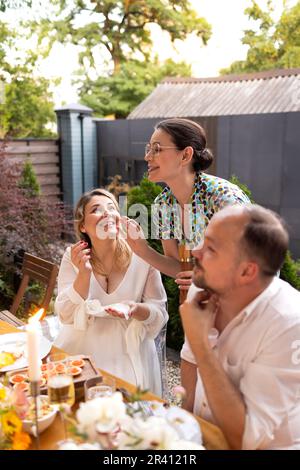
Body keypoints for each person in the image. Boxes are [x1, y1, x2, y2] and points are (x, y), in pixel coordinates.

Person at [180, 204, 300, 450]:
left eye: (210, 248)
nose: (195, 251)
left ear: (247, 271)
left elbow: (246, 440)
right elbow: (190, 362)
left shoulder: (289, 323)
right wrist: (183, 428)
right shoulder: (203, 287)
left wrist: (201, 344)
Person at [54, 189, 168, 397]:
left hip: (131, 350)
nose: (107, 213)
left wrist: (135, 309)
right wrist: (83, 275)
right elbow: (65, 315)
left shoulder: (142, 256)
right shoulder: (73, 257)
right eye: (96, 210)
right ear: (83, 226)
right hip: (82, 350)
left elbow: (159, 316)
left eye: (112, 208)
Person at [123, 118, 250, 292]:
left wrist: (208, 280)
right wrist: (142, 250)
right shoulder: (163, 204)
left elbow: (252, 262)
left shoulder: (224, 199)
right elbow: (179, 267)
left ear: (185, 155)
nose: (147, 157)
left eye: (157, 149)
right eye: (148, 149)